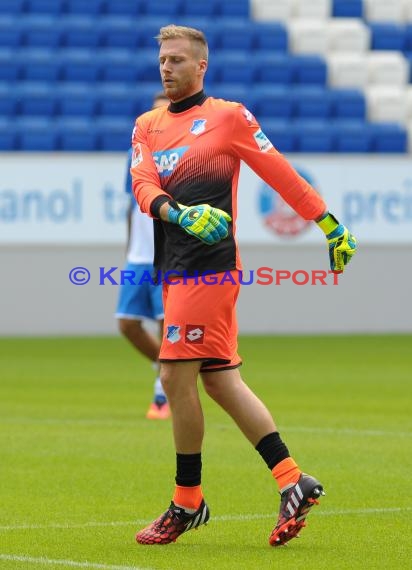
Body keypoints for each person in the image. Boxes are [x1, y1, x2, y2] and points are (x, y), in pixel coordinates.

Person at [130, 25, 357, 547]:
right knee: (220, 381)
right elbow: (143, 186)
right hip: (177, 266)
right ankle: (292, 479)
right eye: (162, 59)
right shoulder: (147, 125)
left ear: (202, 66)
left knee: (174, 377)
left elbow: (279, 173)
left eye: (178, 60)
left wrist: (329, 223)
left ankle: (187, 501)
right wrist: (180, 213)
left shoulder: (230, 117)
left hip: (210, 268)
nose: (167, 67)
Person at [115, 91, 171, 420]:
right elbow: (131, 205)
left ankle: (162, 396)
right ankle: (163, 368)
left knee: (169, 327)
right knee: (127, 323)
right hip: (139, 257)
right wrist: (128, 250)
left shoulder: (183, 155)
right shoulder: (136, 154)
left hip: (168, 257)